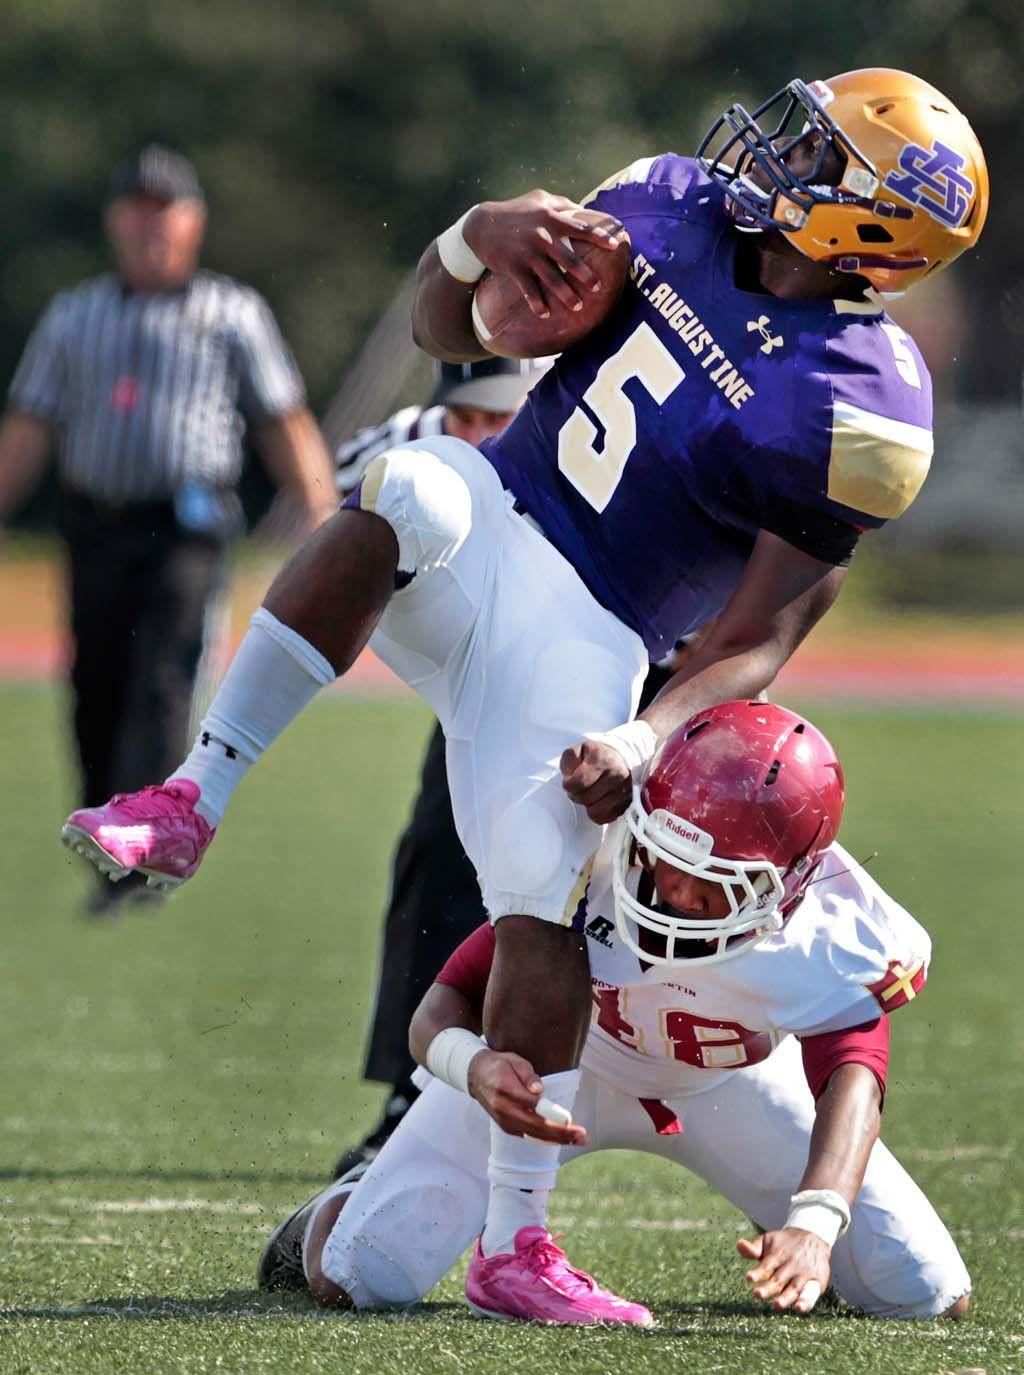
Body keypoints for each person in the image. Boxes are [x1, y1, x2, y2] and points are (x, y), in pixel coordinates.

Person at [60, 69, 987, 1269]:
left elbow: (760, 634)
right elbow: (448, 332)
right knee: (409, 487)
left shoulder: (857, 401)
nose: (772, 152)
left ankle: (518, 1242)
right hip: (499, 522)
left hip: (596, 632)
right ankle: (193, 794)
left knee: (544, 887)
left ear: (869, 219)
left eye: (814, 154)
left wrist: (646, 737)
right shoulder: (670, 205)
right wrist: (467, 240)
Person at [258, 702, 971, 1326]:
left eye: (715, 881)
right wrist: (472, 1066)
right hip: (559, 1074)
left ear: (790, 882)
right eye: (667, 856)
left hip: (729, 1089)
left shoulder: (831, 936)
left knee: (919, 1289)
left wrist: (816, 1219)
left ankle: (775, 1198)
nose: (678, 892)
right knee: (361, 1274)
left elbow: (855, 1081)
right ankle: (330, 1213)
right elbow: (436, 1008)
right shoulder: (592, 865)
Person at [0, 143, 336, 912]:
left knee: (162, 680)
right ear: (117, 221)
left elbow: (281, 417)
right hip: (96, 524)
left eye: (167, 209)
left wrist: (320, 513)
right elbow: (31, 423)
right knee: (94, 686)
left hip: (187, 528)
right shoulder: (74, 314)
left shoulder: (231, 312)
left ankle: (142, 854)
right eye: (138, 209)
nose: (152, 225)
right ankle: (103, 840)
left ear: (194, 221)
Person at [332, 356, 554, 1174]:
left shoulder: (596, 438)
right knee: (438, 856)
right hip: (491, 689)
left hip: (627, 684)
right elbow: (349, 479)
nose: (480, 434)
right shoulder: (424, 441)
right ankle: (410, 1089)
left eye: (499, 416)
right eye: (466, 416)